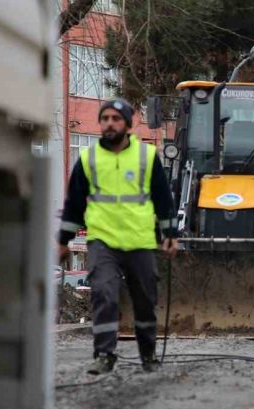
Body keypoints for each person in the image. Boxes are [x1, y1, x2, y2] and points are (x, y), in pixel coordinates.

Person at [57, 98, 178, 375]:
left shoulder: (146, 157)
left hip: (140, 241)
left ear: (128, 124)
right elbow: (74, 204)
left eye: (115, 118)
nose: (109, 123)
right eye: (105, 118)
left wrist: (171, 234)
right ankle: (103, 354)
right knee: (104, 294)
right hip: (103, 241)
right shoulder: (88, 159)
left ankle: (148, 355)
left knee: (145, 300)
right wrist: (63, 240)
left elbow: (163, 199)